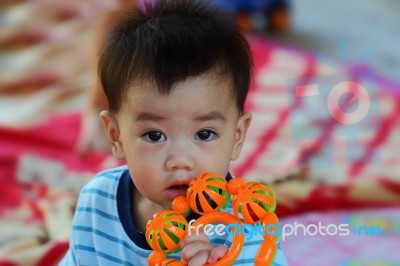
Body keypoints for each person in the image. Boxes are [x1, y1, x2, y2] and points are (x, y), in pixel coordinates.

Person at [61, 0, 287, 265]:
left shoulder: (247, 225)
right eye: (154, 135)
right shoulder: (96, 203)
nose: (180, 160)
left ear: (237, 135)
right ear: (115, 136)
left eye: (204, 134)